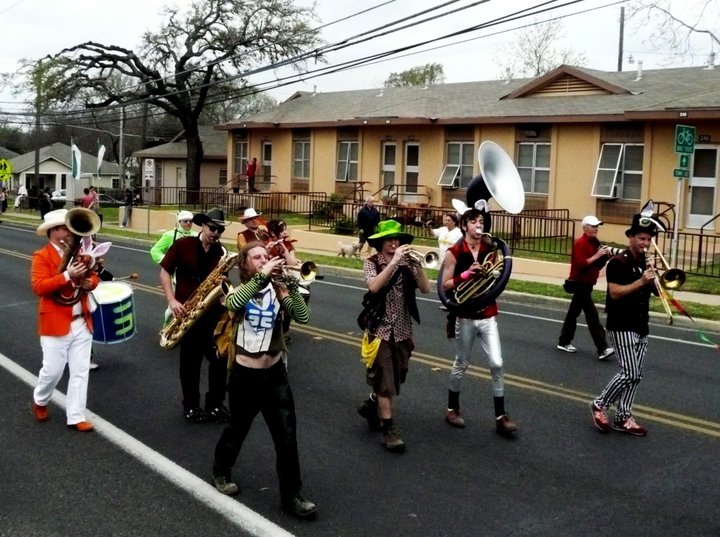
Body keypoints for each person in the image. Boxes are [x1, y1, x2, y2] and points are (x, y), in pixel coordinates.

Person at [211, 241, 317, 520]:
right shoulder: (236, 291)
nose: (263, 259)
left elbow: (303, 318)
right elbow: (234, 303)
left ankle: (291, 495)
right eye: (256, 257)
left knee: (286, 438)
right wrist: (262, 274)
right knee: (237, 429)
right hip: (246, 375)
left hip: (275, 375)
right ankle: (221, 471)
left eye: (265, 256)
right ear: (245, 264)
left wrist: (291, 287)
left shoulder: (277, 289)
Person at [440, 206, 518, 436]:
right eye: (474, 222)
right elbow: (445, 285)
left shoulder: (489, 247)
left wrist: (490, 275)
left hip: (488, 315)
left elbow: (499, 272)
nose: (479, 226)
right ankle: (452, 409)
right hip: (466, 316)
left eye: (481, 221)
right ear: (465, 225)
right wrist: (466, 275)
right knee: (461, 363)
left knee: (497, 363)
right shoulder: (454, 251)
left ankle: (501, 416)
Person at [356, 219, 430, 453]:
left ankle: (371, 404)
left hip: (403, 331)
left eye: (396, 239)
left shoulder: (408, 264)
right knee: (386, 383)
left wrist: (418, 266)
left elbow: (426, 288)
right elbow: (374, 287)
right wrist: (395, 261)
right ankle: (389, 430)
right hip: (380, 331)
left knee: (395, 379)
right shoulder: (371, 263)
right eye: (389, 240)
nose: (393, 243)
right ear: (380, 243)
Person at [160, 208, 232, 424]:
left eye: (219, 230)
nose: (216, 233)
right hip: (187, 312)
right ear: (203, 225)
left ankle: (215, 404)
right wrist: (172, 301)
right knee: (190, 363)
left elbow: (223, 283)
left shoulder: (221, 253)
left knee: (220, 359)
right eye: (212, 228)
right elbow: (165, 272)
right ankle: (191, 406)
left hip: (213, 314)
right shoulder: (183, 245)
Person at [30, 209, 100, 431]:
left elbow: (93, 275)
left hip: (82, 319)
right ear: (53, 232)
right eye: (64, 229)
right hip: (55, 321)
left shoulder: (80, 253)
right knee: (53, 371)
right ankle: (40, 400)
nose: (69, 233)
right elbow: (39, 287)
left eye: (70, 229)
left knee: (80, 371)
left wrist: (92, 283)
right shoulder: (41, 256)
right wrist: (67, 275)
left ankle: (76, 416)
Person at [590, 214, 658, 436]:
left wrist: (655, 278)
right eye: (641, 238)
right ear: (631, 237)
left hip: (640, 325)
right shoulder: (618, 263)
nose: (645, 243)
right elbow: (615, 293)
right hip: (622, 324)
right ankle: (600, 404)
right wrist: (641, 281)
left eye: (648, 239)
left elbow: (658, 292)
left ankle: (623, 416)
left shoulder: (644, 263)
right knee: (629, 372)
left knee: (636, 374)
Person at [557, 215, 615, 360]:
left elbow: (597, 264)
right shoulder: (580, 243)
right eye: (593, 226)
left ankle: (564, 341)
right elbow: (582, 264)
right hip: (579, 282)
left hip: (588, 283)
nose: (596, 229)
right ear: (585, 228)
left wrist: (605, 256)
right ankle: (602, 348)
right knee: (592, 315)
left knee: (573, 313)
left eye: (597, 226)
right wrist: (598, 255)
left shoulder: (595, 242)